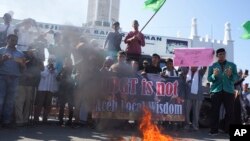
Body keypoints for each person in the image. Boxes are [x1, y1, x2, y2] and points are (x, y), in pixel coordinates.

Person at [207, 48, 237, 135]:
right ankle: (213, 130)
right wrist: (214, 75)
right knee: (214, 111)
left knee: (230, 112)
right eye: (220, 54)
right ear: (217, 56)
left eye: (223, 54)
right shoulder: (212, 66)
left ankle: (228, 130)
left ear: (225, 54)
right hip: (216, 91)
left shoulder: (232, 65)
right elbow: (209, 78)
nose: (222, 55)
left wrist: (231, 75)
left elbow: (235, 78)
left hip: (229, 91)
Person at [0, 34, 25, 127]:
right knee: (0, 99)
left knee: (10, 101)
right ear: (7, 40)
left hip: (14, 79)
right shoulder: (1, 50)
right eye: (12, 40)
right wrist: (3, 59)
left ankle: (6, 121)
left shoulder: (20, 53)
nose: (14, 42)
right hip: (2, 77)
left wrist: (22, 65)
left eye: (15, 40)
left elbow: (23, 69)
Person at [184, 66, 207, 131]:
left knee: (196, 112)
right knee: (186, 111)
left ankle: (195, 125)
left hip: (198, 96)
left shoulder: (200, 73)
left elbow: (205, 67)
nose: (194, 67)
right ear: (190, 67)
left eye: (196, 66)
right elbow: (183, 67)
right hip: (188, 95)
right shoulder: (187, 72)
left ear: (197, 67)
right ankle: (187, 125)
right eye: (192, 66)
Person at [57, 57, 74, 126]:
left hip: (70, 90)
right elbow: (57, 78)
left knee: (70, 106)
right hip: (63, 90)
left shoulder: (73, 69)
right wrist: (61, 75)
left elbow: (74, 78)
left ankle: (69, 120)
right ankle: (60, 120)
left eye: (68, 61)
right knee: (62, 106)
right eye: (66, 61)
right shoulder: (63, 69)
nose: (67, 63)